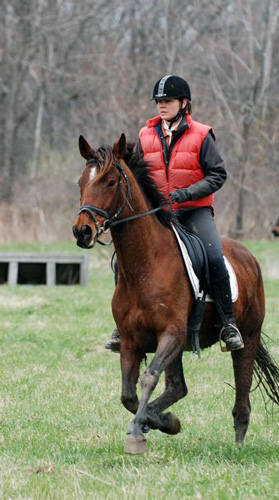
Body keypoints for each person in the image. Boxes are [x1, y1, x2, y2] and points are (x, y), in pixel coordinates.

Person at [107, 75, 244, 352]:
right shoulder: (146, 135)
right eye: (158, 101)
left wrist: (188, 193)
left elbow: (218, 174)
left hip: (194, 211)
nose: (161, 106)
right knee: (121, 261)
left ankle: (228, 324)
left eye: (167, 101)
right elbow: (137, 176)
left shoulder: (202, 135)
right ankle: (124, 327)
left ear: (184, 103)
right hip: (159, 213)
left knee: (214, 256)